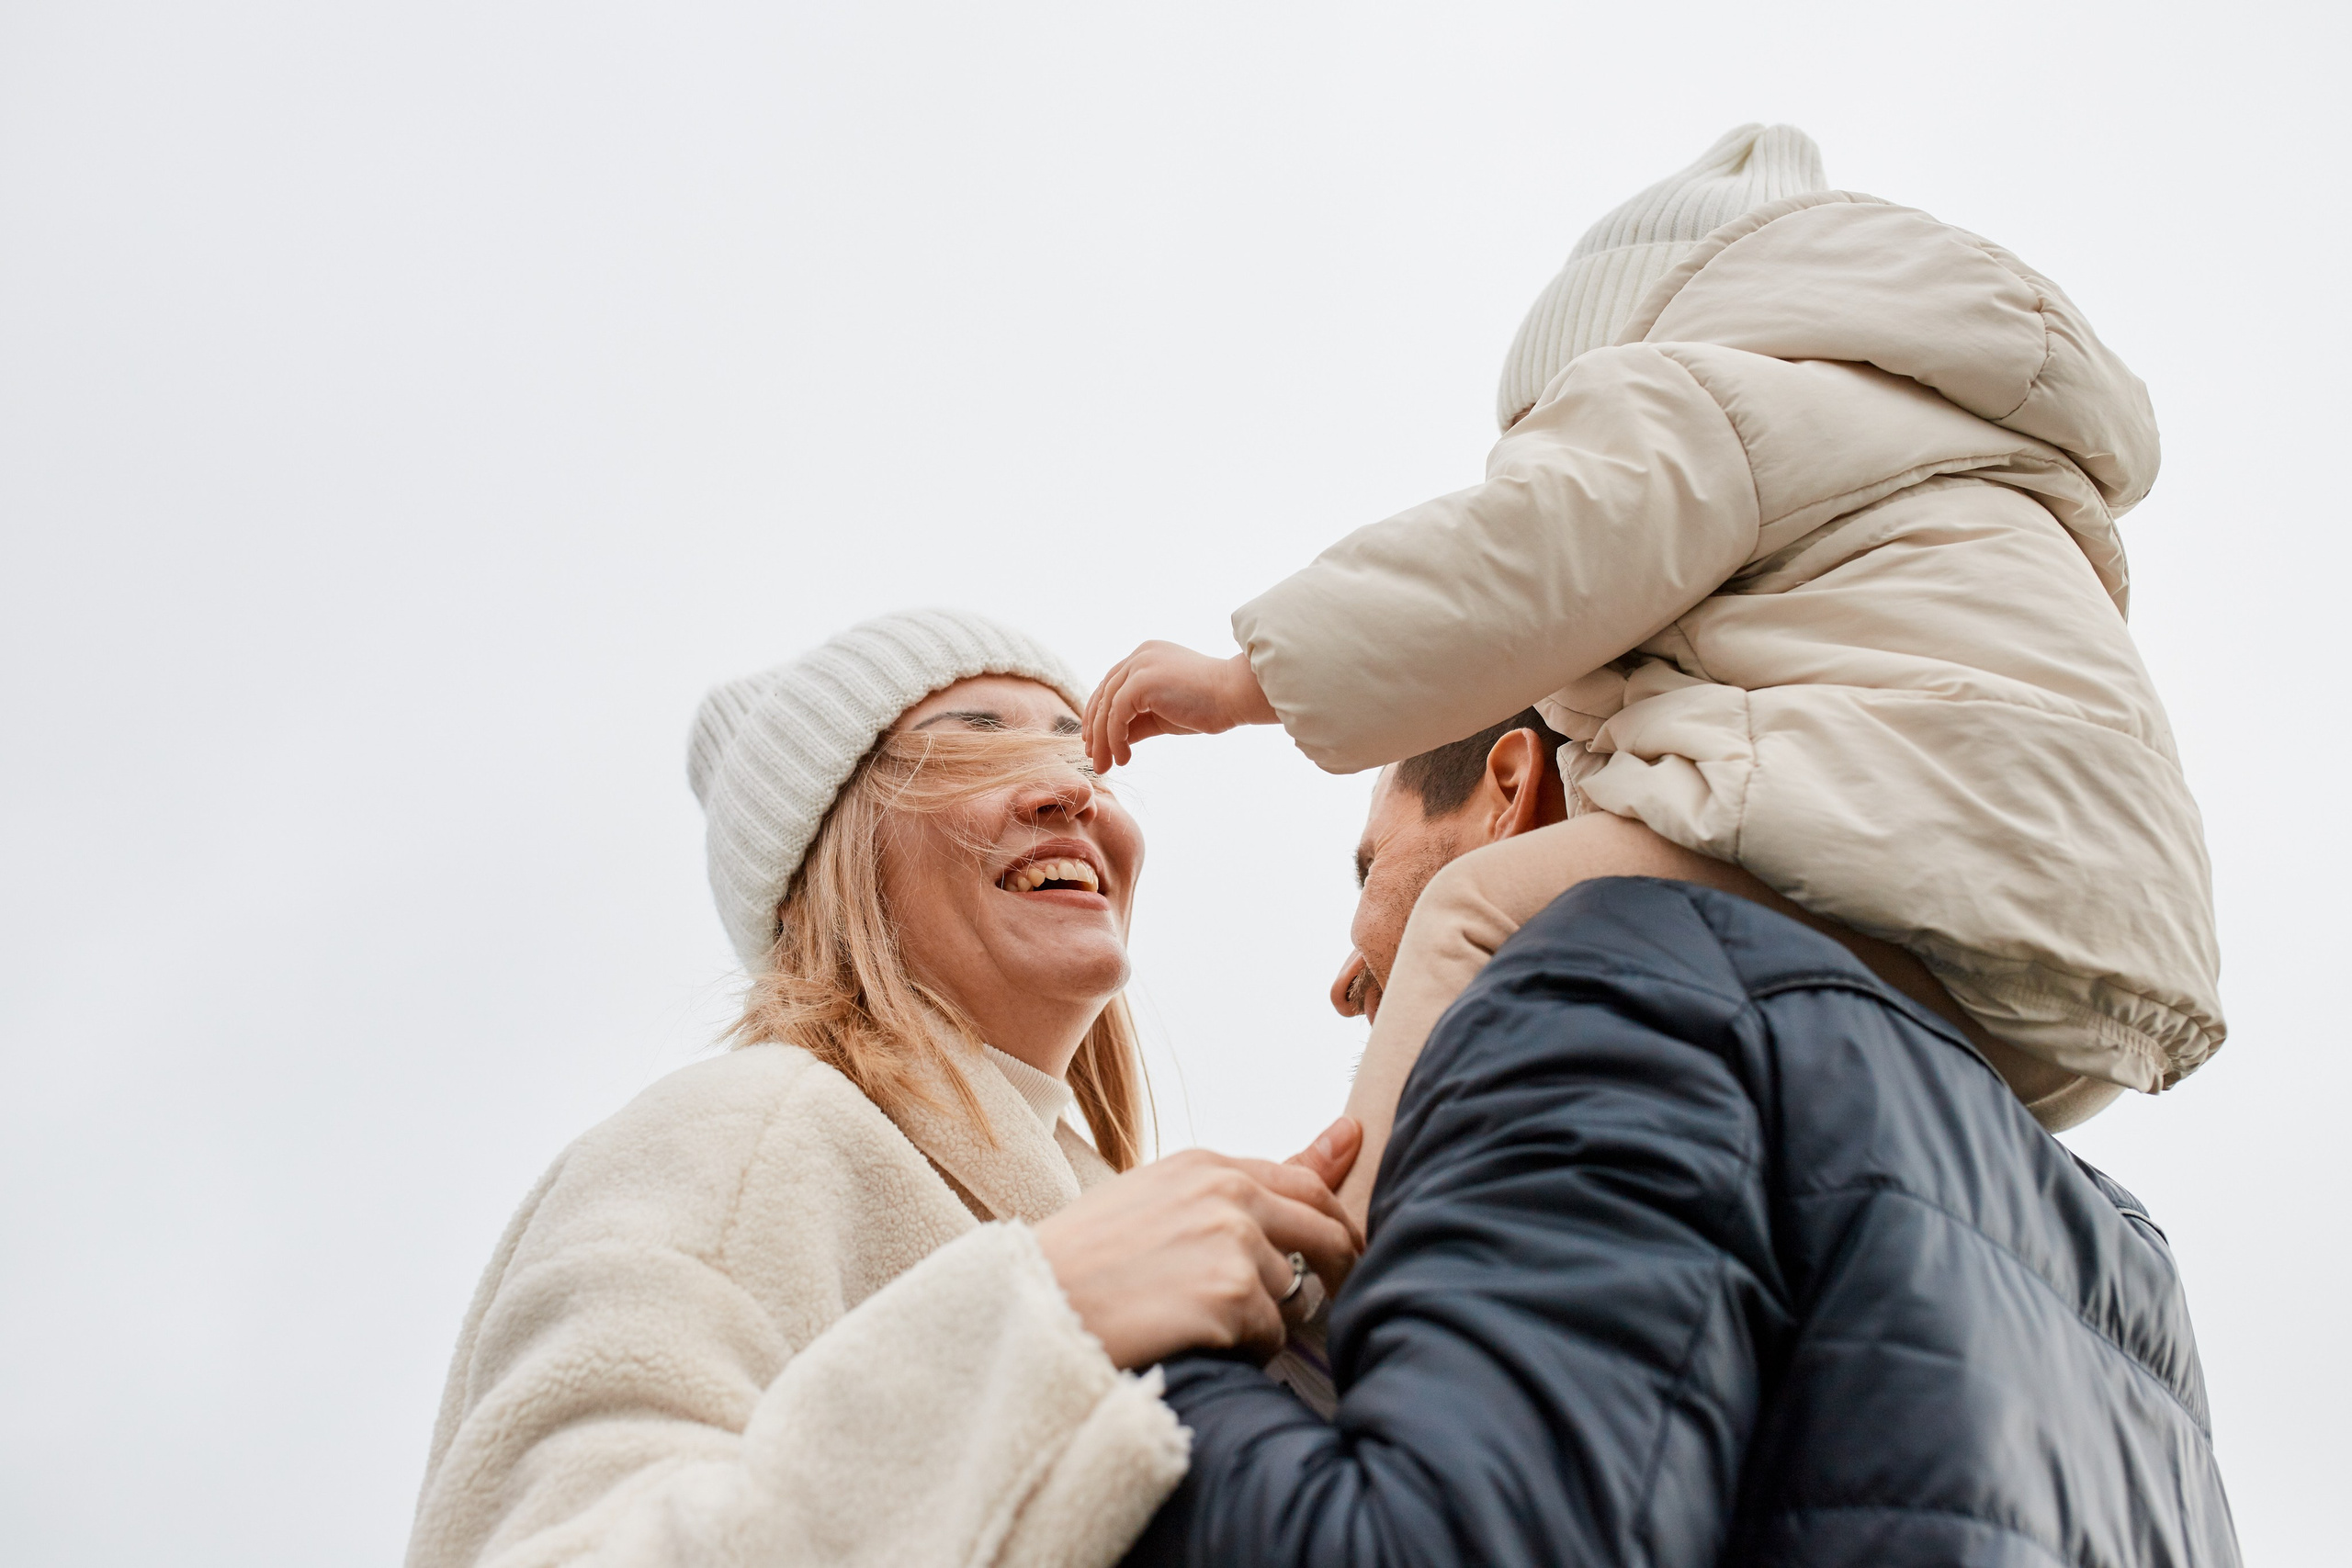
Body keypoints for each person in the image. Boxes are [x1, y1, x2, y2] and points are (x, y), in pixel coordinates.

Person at [1083, 125, 2223, 1208]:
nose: (1548, 448)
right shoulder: (1965, 467)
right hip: (2082, 995)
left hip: (1916, 855)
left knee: (1476, 912)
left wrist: (1246, 681)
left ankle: (1355, 1231)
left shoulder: (1702, 396)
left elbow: (1519, 560)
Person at [404, 608, 1364, 1568]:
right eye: (978, 740)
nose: (1070, 795)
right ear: (826, 860)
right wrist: (1044, 1317)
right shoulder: (745, 1133)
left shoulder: (1122, 1217)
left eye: (1080, 752)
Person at [1125, 870, 2242, 1566]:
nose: (1347, 966)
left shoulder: (1612, 987)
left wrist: (1148, 1345)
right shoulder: (2115, 1238)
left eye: (1369, 865)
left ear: (1512, 790)